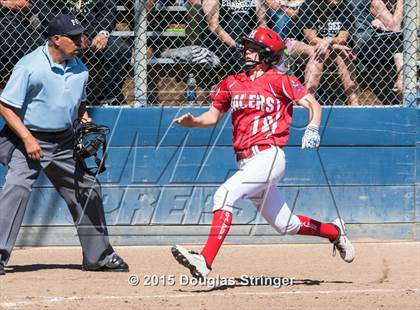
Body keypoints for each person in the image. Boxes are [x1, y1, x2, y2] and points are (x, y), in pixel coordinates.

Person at [171, 27, 355, 279]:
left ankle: (205, 260)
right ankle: (335, 232)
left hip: (269, 156)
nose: (246, 51)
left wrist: (312, 128)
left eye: (253, 48)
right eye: (247, 47)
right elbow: (212, 117)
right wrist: (193, 122)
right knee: (286, 225)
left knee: (223, 196)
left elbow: (313, 104)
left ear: (267, 55)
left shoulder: (281, 80)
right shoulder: (232, 82)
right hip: (246, 162)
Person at [0, 14, 128, 276]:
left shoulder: (79, 67)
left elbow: (79, 103)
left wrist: (84, 118)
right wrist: (27, 139)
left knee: (88, 188)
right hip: (29, 138)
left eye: (82, 35)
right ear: (56, 40)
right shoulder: (30, 66)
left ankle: (99, 256)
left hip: (64, 141)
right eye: (75, 37)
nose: (82, 41)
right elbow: (5, 106)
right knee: (17, 189)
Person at [35, 0, 132, 105]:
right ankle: (52, 96)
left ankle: (108, 98)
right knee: (52, 49)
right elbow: (48, 15)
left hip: (93, 35)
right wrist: (74, 36)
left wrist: (103, 33)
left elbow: (107, 11)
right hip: (64, 35)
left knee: (122, 50)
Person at [299, 0, 360, 105]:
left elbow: (343, 37)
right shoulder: (309, 5)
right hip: (309, 47)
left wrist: (329, 41)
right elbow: (311, 39)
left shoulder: (345, 6)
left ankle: (354, 102)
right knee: (319, 52)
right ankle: (309, 101)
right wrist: (332, 44)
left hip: (333, 49)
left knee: (343, 55)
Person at [200, 0, 267, 74]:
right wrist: (237, 46)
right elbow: (213, 26)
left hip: (249, 43)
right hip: (221, 45)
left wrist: (254, 45)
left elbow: (262, 25)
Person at [353, 0, 403, 93]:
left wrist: (382, 25)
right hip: (366, 46)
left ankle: (402, 80)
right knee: (399, 40)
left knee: (399, 40)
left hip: (370, 43)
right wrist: (401, 2)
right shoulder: (375, 2)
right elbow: (394, 27)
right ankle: (402, 78)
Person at [0, 0, 45, 86]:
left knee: (45, 51)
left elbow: (30, 4)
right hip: (8, 30)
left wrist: (3, 3)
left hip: (12, 27)